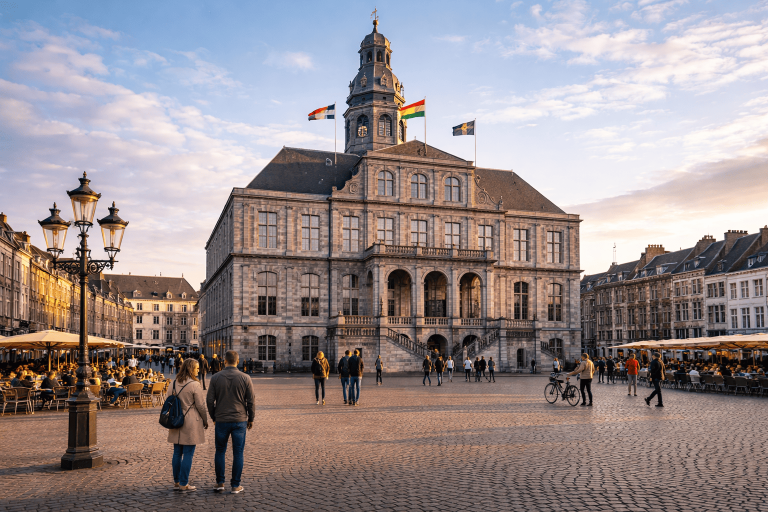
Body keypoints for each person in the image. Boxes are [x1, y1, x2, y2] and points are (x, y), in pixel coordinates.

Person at [207, 350, 255, 494]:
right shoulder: (245, 378)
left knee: (220, 451)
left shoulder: (215, 378)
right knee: (238, 453)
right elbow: (251, 401)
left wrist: (214, 416)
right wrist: (251, 418)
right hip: (239, 420)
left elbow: (209, 400)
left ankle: (220, 482)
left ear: (224, 361)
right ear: (238, 361)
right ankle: (235, 485)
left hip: (221, 419)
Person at [167, 358, 209, 492]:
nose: (199, 370)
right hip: (190, 420)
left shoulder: (173, 383)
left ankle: (176, 481)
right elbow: (201, 406)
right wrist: (205, 419)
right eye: (196, 368)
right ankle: (184, 483)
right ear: (191, 369)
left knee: (177, 453)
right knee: (188, 453)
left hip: (175, 419)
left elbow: (168, 400)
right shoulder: (194, 384)